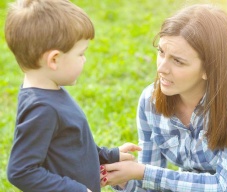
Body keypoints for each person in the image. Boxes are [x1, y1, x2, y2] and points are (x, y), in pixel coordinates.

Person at [102, 4, 227, 192]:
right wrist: (122, 179)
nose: (161, 68)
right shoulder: (150, 101)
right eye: (161, 52)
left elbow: (226, 186)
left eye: (178, 61)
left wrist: (143, 173)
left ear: (209, 69)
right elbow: (149, 187)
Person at [5, 0, 141, 191]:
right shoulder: (42, 108)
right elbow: (20, 171)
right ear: (54, 59)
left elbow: (71, 145)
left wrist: (109, 155)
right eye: (81, 54)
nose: (84, 59)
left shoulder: (50, 91)